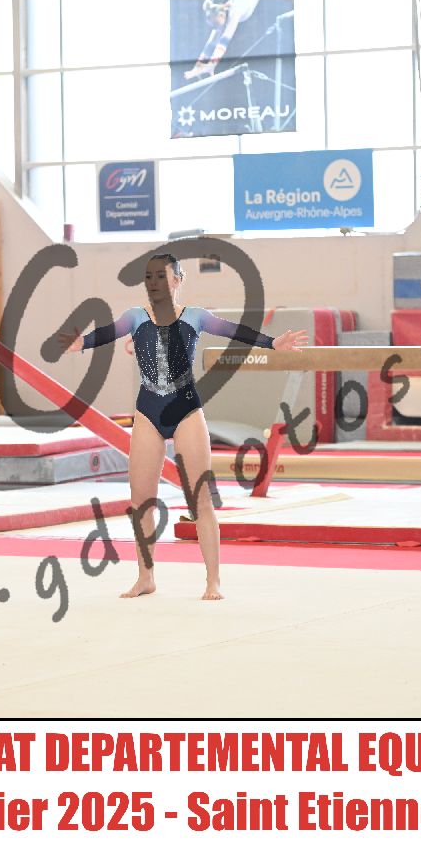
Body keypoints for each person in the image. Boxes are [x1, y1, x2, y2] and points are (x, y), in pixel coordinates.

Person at [58, 253, 307, 601]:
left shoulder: (195, 316)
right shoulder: (135, 317)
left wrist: (271, 343)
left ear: (178, 280)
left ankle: (213, 580)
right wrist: (81, 342)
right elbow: (105, 333)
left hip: (186, 410)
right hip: (148, 412)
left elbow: (233, 331)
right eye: (149, 277)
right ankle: (146, 577)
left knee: (200, 499)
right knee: (141, 499)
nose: (154, 283)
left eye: (161, 276)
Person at [183, 0, 261, 80]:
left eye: (216, 24)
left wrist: (212, 64)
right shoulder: (225, 11)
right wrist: (197, 68)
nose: (217, 28)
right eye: (214, 25)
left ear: (221, 15)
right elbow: (211, 43)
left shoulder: (235, 12)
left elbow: (225, 40)